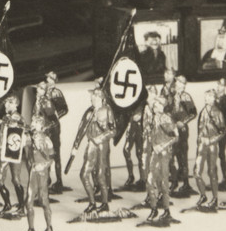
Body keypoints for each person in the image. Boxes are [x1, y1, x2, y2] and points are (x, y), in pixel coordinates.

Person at [15, 115, 58, 231]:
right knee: (29, 201)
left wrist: (43, 165)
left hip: (42, 173)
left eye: (36, 122)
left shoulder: (47, 140)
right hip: (33, 172)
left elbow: (51, 158)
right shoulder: (30, 138)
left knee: (44, 200)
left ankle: (49, 228)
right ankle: (31, 229)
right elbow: (25, 150)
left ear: (41, 125)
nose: (33, 124)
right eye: (32, 121)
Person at [72, 86, 114, 215]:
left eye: (95, 95)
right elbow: (81, 128)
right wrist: (76, 145)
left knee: (101, 175)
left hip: (101, 145)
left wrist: (99, 138)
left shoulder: (107, 110)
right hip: (91, 145)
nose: (92, 97)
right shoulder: (89, 112)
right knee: (84, 174)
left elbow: (113, 130)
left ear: (101, 98)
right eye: (92, 95)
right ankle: (92, 202)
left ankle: (105, 203)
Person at [144, 94, 179, 223]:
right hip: (155, 152)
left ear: (162, 106)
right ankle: (154, 208)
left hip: (164, 153)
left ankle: (166, 210)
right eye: (154, 104)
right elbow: (152, 135)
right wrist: (154, 145)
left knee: (164, 182)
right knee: (150, 180)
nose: (154, 106)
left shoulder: (166, 119)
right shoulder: (154, 118)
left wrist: (162, 146)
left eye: (157, 104)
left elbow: (175, 136)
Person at [33, 71, 68, 191]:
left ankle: (59, 181)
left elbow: (64, 109)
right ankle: (47, 180)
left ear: (54, 80)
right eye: (47, 78)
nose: (48, 80)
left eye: (50, 78)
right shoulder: (43, 93)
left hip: (52, 127)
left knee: (55, 153)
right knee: (45, 152)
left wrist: (54, 117)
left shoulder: (55, 93)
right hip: (45, 126)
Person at [0, 94, 26, 217]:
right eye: (6, 103)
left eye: (9, 103)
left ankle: (22, 206)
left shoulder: (17, 117)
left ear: (15, 105)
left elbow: (22, 126)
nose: (6, 105)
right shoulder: (6, 117)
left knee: (15, 179)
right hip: (3, 151)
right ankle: (7, 204)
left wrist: (7, 120)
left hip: (13, 151)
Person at [193, 88, 226, 210]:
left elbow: (222, 132)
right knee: (196, 171)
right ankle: (203, 195)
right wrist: (199, 141)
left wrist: (211, 140)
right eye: (206, 96)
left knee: (212, 171)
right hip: (202, 145)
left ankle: (215, 198)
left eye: (210, 96)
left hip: (212, 145)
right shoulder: (203, 112)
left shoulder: (217, 113)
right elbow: (200, 128)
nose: (207, 98)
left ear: (214, 98)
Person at [170, 76, 197, 196]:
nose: (177, 84)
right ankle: (175, 181)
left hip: (182, 130)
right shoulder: (172, 97)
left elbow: (193, 113)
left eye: (180, 83)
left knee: (183, 156)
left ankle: (185, 183)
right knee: (172, 155)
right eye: (176, 82)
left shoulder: (186, 97)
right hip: (173, 129)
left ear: (183, 85)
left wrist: (183, 122)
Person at [122, 102, 145, 189]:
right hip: (131, 128)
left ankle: (143, 178)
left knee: (140, 153)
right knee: (126, 150)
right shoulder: (129, 100)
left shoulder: (143, 101)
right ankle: (131, 176)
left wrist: (141, 115)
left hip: (139, 129)